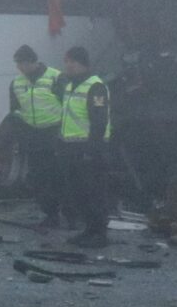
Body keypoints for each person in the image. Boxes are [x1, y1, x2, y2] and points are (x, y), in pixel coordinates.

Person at [55, 45, 113, 248]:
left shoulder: (95, 86)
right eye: (67, 61)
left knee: (94, 193)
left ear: (82, 63)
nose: (68, 65)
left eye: (72, 61)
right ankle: (89, 230)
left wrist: (91, 150)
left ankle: (100, 234)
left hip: (89, 150)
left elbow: (99, 121)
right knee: (78, 193)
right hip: (71, 149)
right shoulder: (72, 85)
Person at [9, 44, 65, 229]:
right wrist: (19, 136)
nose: (19, 68)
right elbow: (15, 111)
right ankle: (51, 214)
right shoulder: (17, 83)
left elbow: (69, 106)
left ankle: (69, 214)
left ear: (32, 62)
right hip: (32, 136)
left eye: (22, 63)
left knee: (59, 176)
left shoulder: (56, 78)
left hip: (54, 134)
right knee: (39, 178)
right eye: (17, 64)